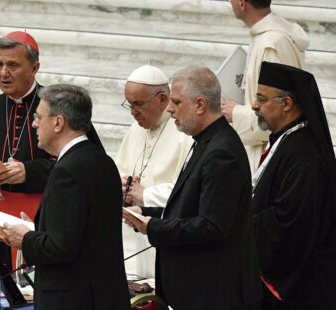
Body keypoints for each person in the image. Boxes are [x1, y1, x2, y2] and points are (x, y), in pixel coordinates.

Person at [0, 30, 102, 282]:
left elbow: (88, 162)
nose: (3, 72)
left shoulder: (60, 108)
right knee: (5, 287)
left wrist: (29, 172)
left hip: (45, 218)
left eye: (13, 65)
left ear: (34, 68)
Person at [122, 66, 261, 309]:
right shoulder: (206, 141)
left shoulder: (221, 152)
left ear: (200, 104)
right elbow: (190, 206)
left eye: (176, 101)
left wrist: (153, 227)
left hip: (212, 292)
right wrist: (146, 214)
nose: (170, 108)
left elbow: (211, 226)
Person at [1, 84, 129, 309]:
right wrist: (36, 229)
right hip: (104, 295)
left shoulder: (67, 171)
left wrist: (25, 239)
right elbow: (83, 232)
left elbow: (61, 248)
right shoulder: (103, 161)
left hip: (72, 299)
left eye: (39, 117)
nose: (34, 124)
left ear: (58, 122)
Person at [249, 62, 336, 309]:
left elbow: (290, 222)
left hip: (298, 290)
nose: (255, 106)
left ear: (286, 104)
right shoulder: (286, 140)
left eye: (261, 99)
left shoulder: (305, 155)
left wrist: (237, 224)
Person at [115, 65, 193, 278]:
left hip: (171, 233)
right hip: (140, 233)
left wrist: (144, 194)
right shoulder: (134, 130)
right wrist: (122, 189)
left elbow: (189, 192)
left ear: (162, 99)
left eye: (138, 104)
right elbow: (120, 173)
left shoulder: (184, 133)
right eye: (129, 105)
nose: (133, 113)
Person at [222, 0, 310, 173]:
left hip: (272, 153)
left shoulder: (271, 44)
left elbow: (276, 113)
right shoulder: (266, 37)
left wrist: (235, 113)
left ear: (242, 3)